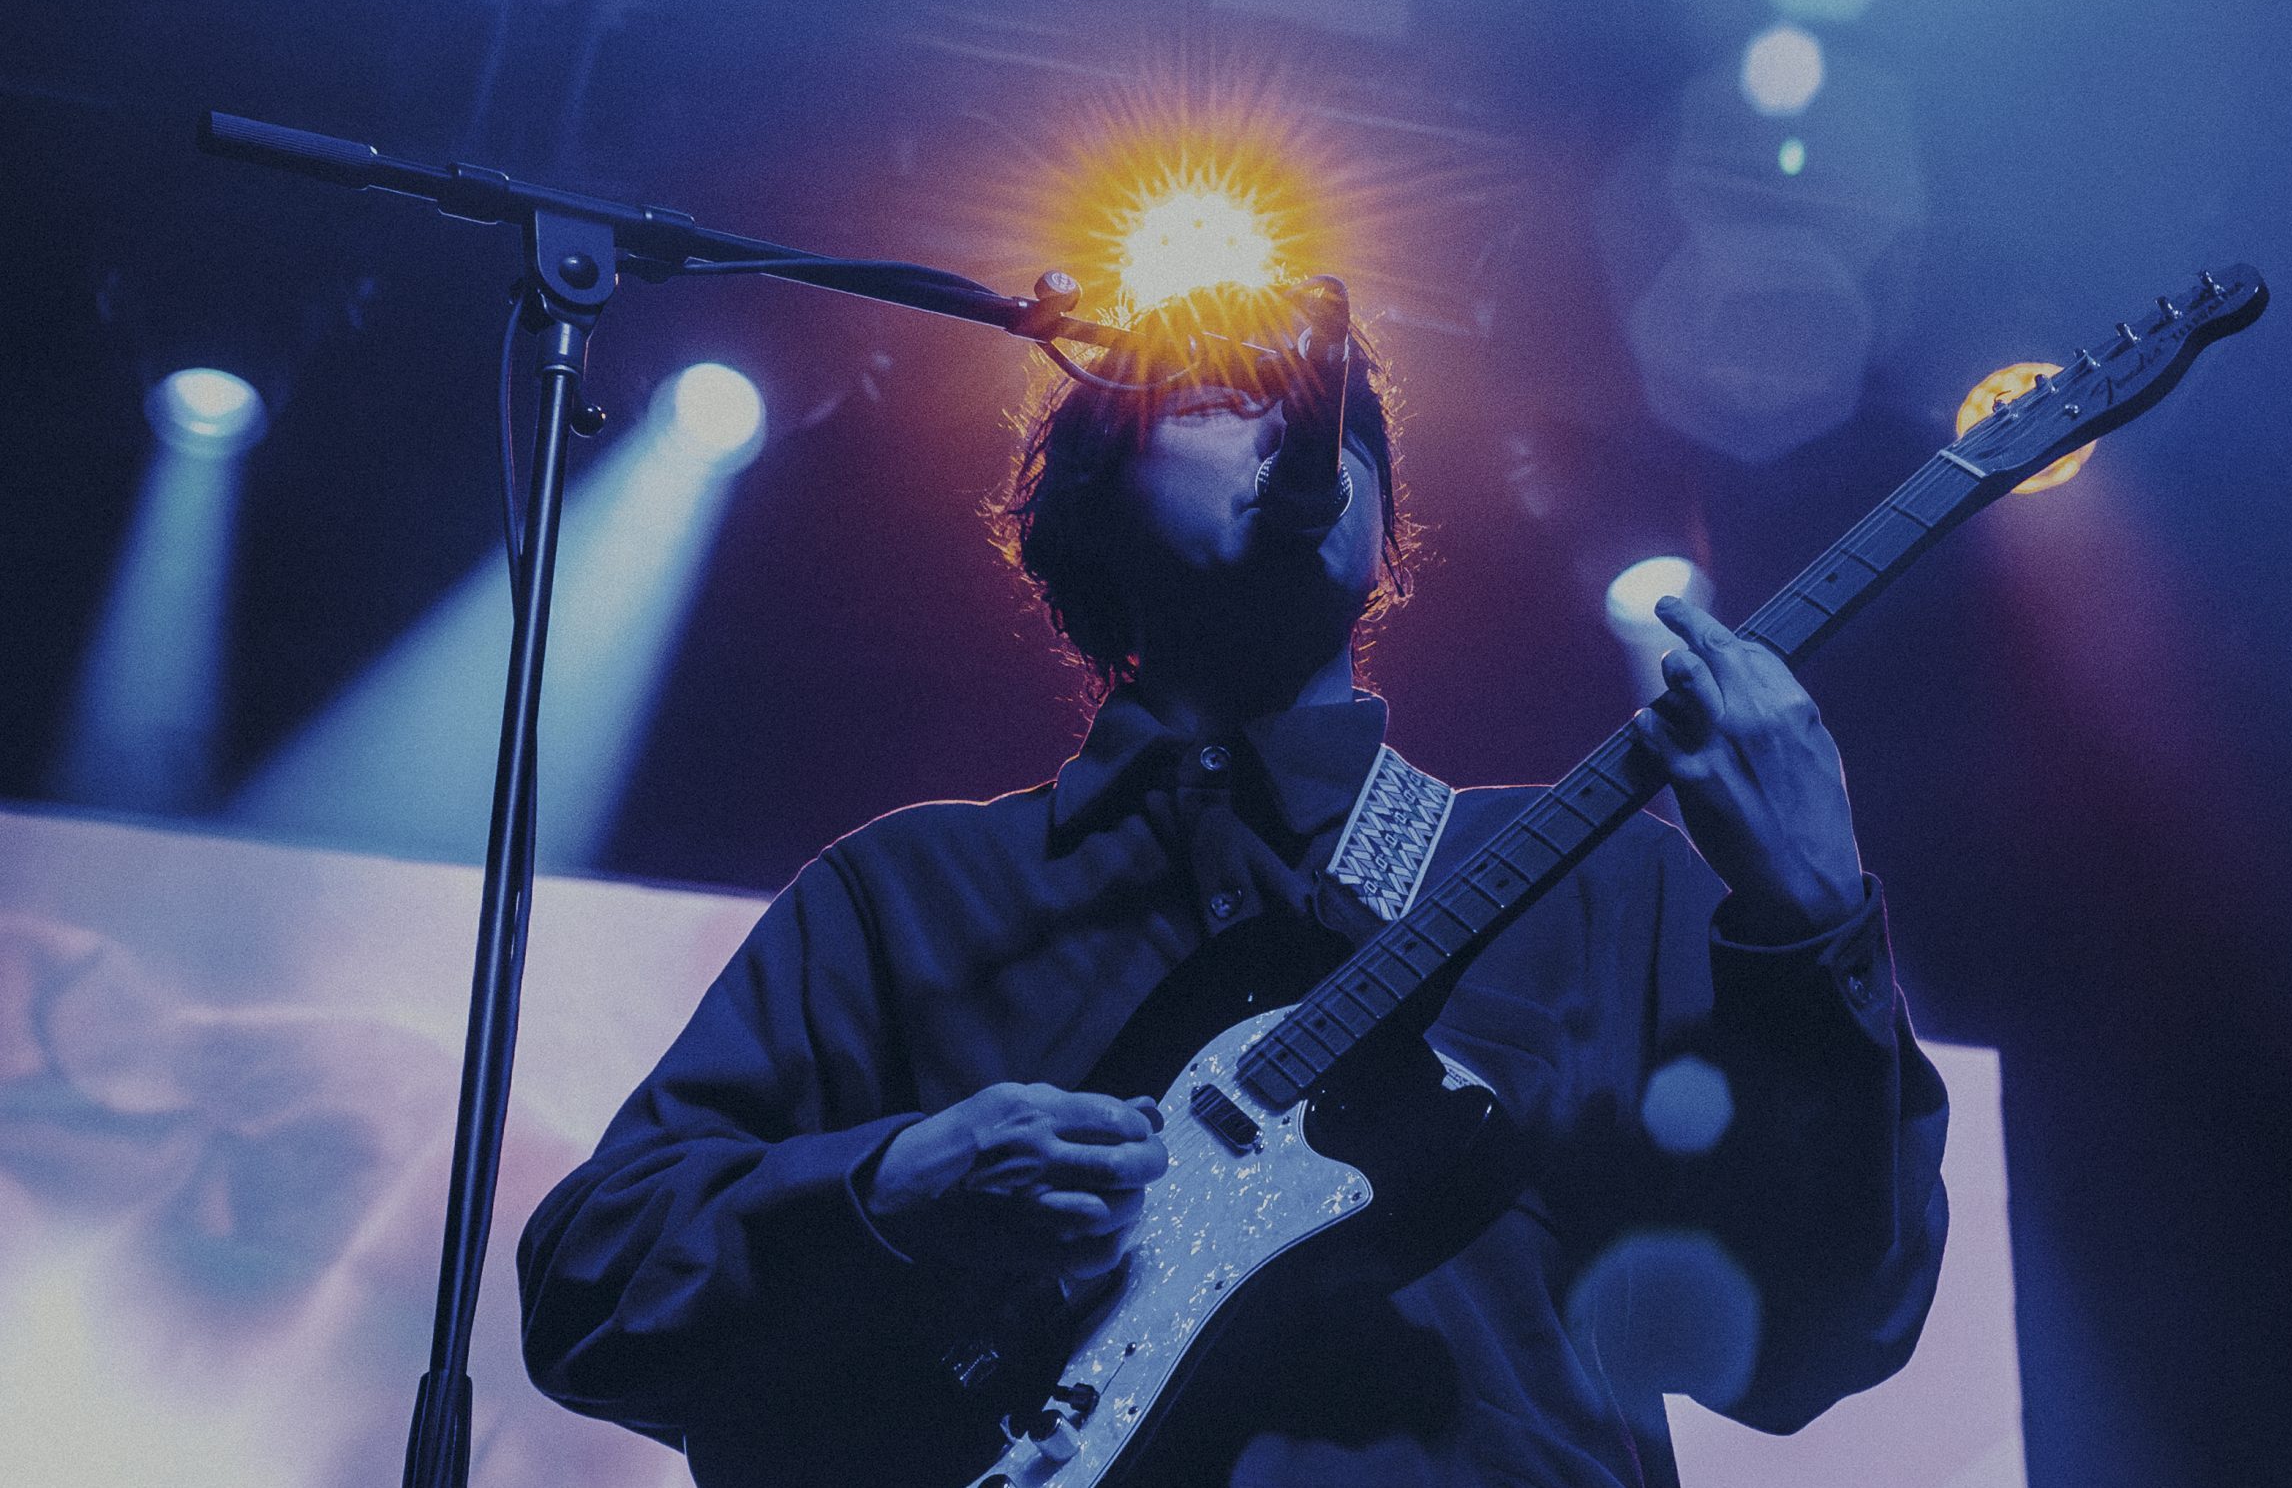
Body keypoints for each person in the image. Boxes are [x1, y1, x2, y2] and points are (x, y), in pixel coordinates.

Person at [517, 279, 1949, 1488]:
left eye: (1339, 423)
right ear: (1089, 508)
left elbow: (1826, 1338)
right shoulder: (906, 897)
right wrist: (897, 1184)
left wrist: (1811, 924)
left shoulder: (1597, 888)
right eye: (1213, 398)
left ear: (1382, 526)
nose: (1294, 427)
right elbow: (594, 1288)